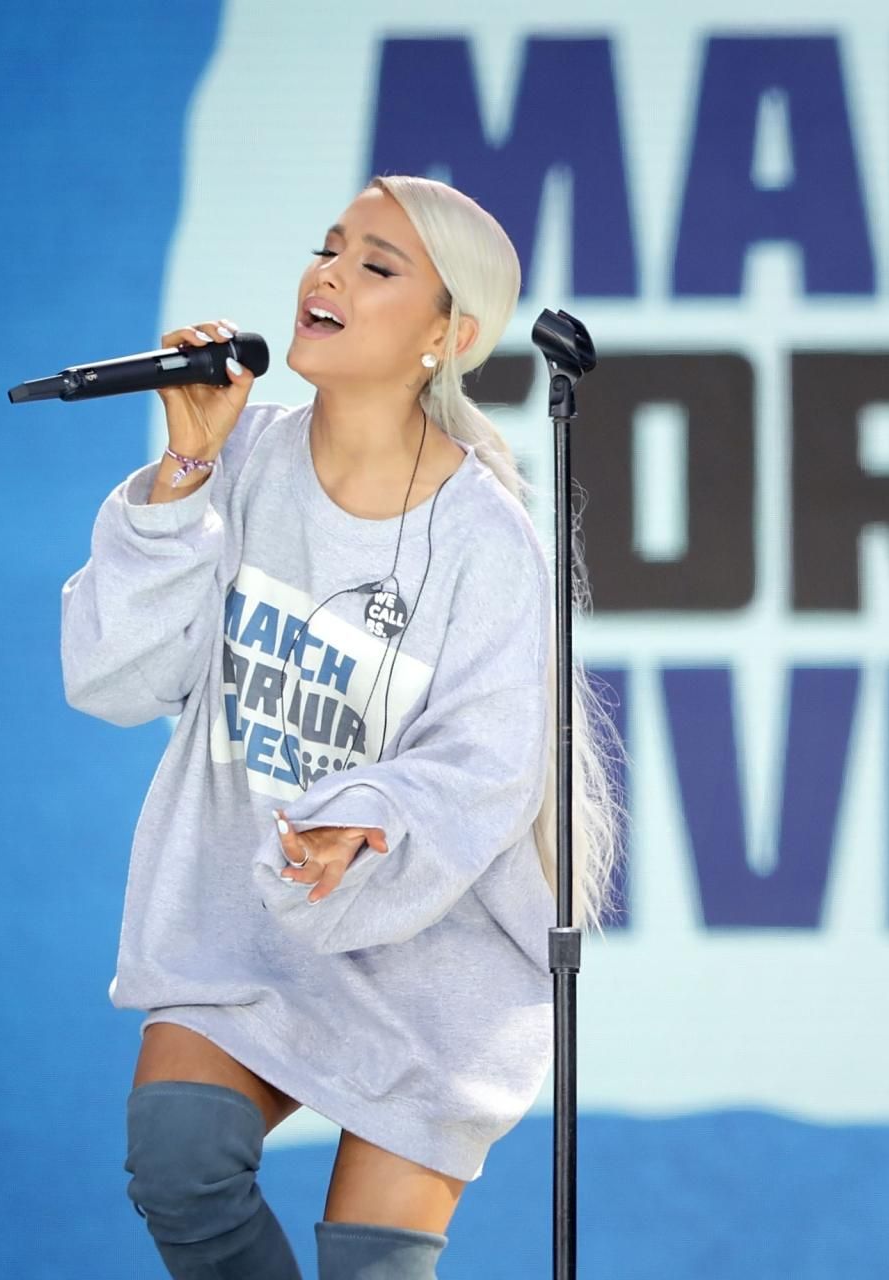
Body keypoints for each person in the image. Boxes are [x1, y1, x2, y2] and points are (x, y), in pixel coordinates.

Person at [58, 173, 624, 1279]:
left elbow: (489, 760)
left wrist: (366, 817)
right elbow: (113, 677)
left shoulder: (485, 537)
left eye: (376, 266)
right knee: (179, 1160)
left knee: (374, 1268)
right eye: (329, 248)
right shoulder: (238, 464)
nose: (329, 275)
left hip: (431, 955)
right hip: (248, 926)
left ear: (449, 335)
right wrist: (186, 470)